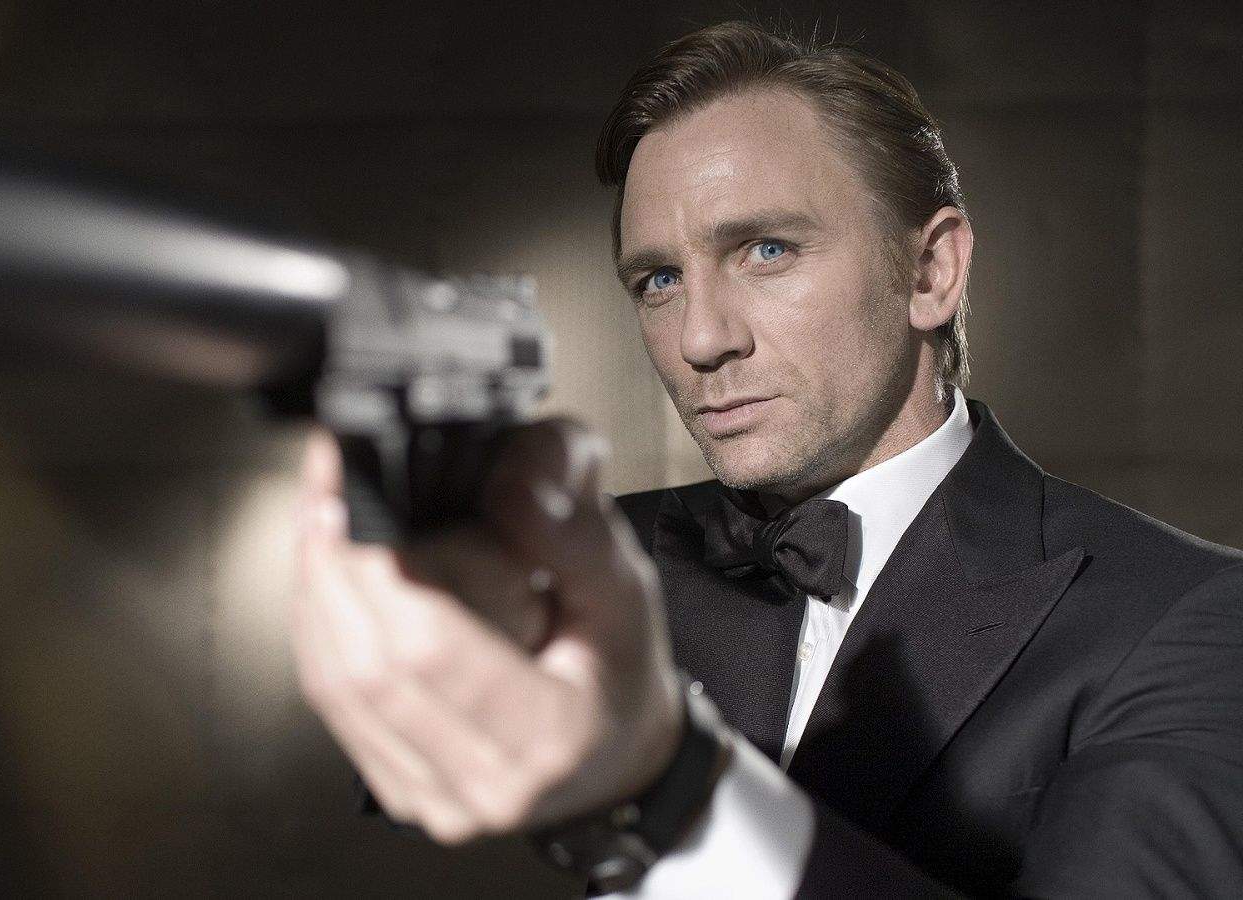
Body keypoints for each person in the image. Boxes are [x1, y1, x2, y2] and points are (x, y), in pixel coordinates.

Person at [290, 21, 1243, 898]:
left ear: (931, 271)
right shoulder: (603, 560)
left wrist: (667, 785)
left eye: (768, 251)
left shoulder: (1185, 618)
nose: (700, 338)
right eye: (659, 279)